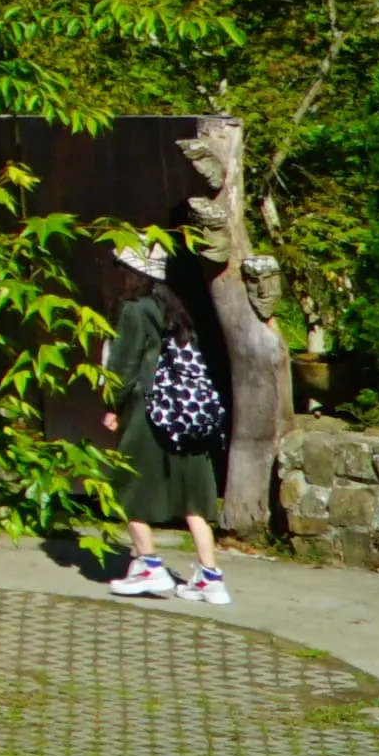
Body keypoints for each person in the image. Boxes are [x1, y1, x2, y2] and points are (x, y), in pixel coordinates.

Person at [102, 240, 245, 607]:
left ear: (130, 274)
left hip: (149, 409)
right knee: (193, 498)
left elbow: (123, 366)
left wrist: (111, 406)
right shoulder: (173, 308)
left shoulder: (133, 311)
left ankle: (149, 564)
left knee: (127, 484)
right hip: (186, 414)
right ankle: (211, 578)